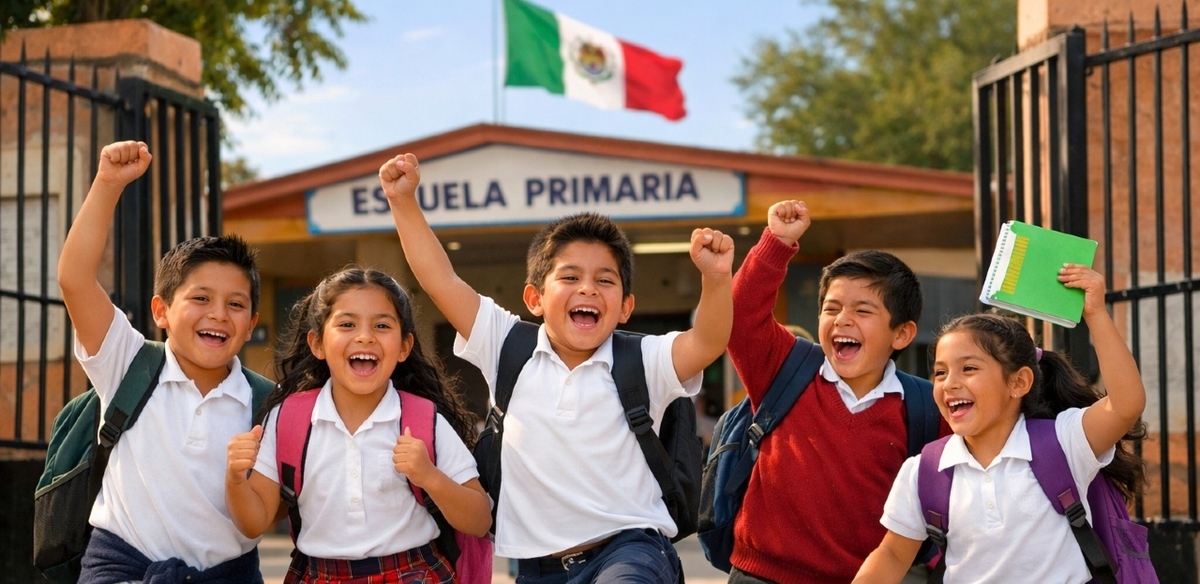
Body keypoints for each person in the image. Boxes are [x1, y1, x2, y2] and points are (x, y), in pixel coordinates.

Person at [379, 152, 734, 583]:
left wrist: (716, 280)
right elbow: (441, 280)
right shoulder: (506, 344)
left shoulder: (644, 359)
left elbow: (708, 341)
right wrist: (403, 203)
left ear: (625, 307)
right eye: (569, 277)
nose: (587, 287)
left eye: (605, 280)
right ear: (535, 299)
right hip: (537, 567)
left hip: (630, 551)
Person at [853, 266, 1149, 583]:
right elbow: (893, 554)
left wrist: (1096, 314)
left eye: (968, 368)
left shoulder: (1064, 442)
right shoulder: (924, 470)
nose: (949, 383)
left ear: (1018, 382)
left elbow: (1125, 405)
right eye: (940, 372)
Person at [58, 140, 266, 581]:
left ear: (251, 325)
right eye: (201, 298)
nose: (218, 314)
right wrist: (107, 184)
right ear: (161, 312)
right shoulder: (127, 363)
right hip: (121, 571)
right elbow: (75, 278)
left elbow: (268, 510)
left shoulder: (266, 403)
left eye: (236, 304)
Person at [724, 199, 950, 583]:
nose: (842, 319)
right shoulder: (784, 368)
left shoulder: (929, 407)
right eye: (831, 309)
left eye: (863, 310)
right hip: (761, 575)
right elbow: (741, 313)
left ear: (902, 334)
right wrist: (777, 242)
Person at [225, 267, 491, 583]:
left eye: (381, 325)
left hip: (414, 574)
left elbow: (479, 519)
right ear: (318, 343)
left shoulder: (423, 418)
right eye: (347, 324)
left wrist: (430, 476)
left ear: (404, 347)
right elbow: (254, 523)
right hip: (318, 575)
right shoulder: (288, 419)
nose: (364, 336)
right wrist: (235, 479)